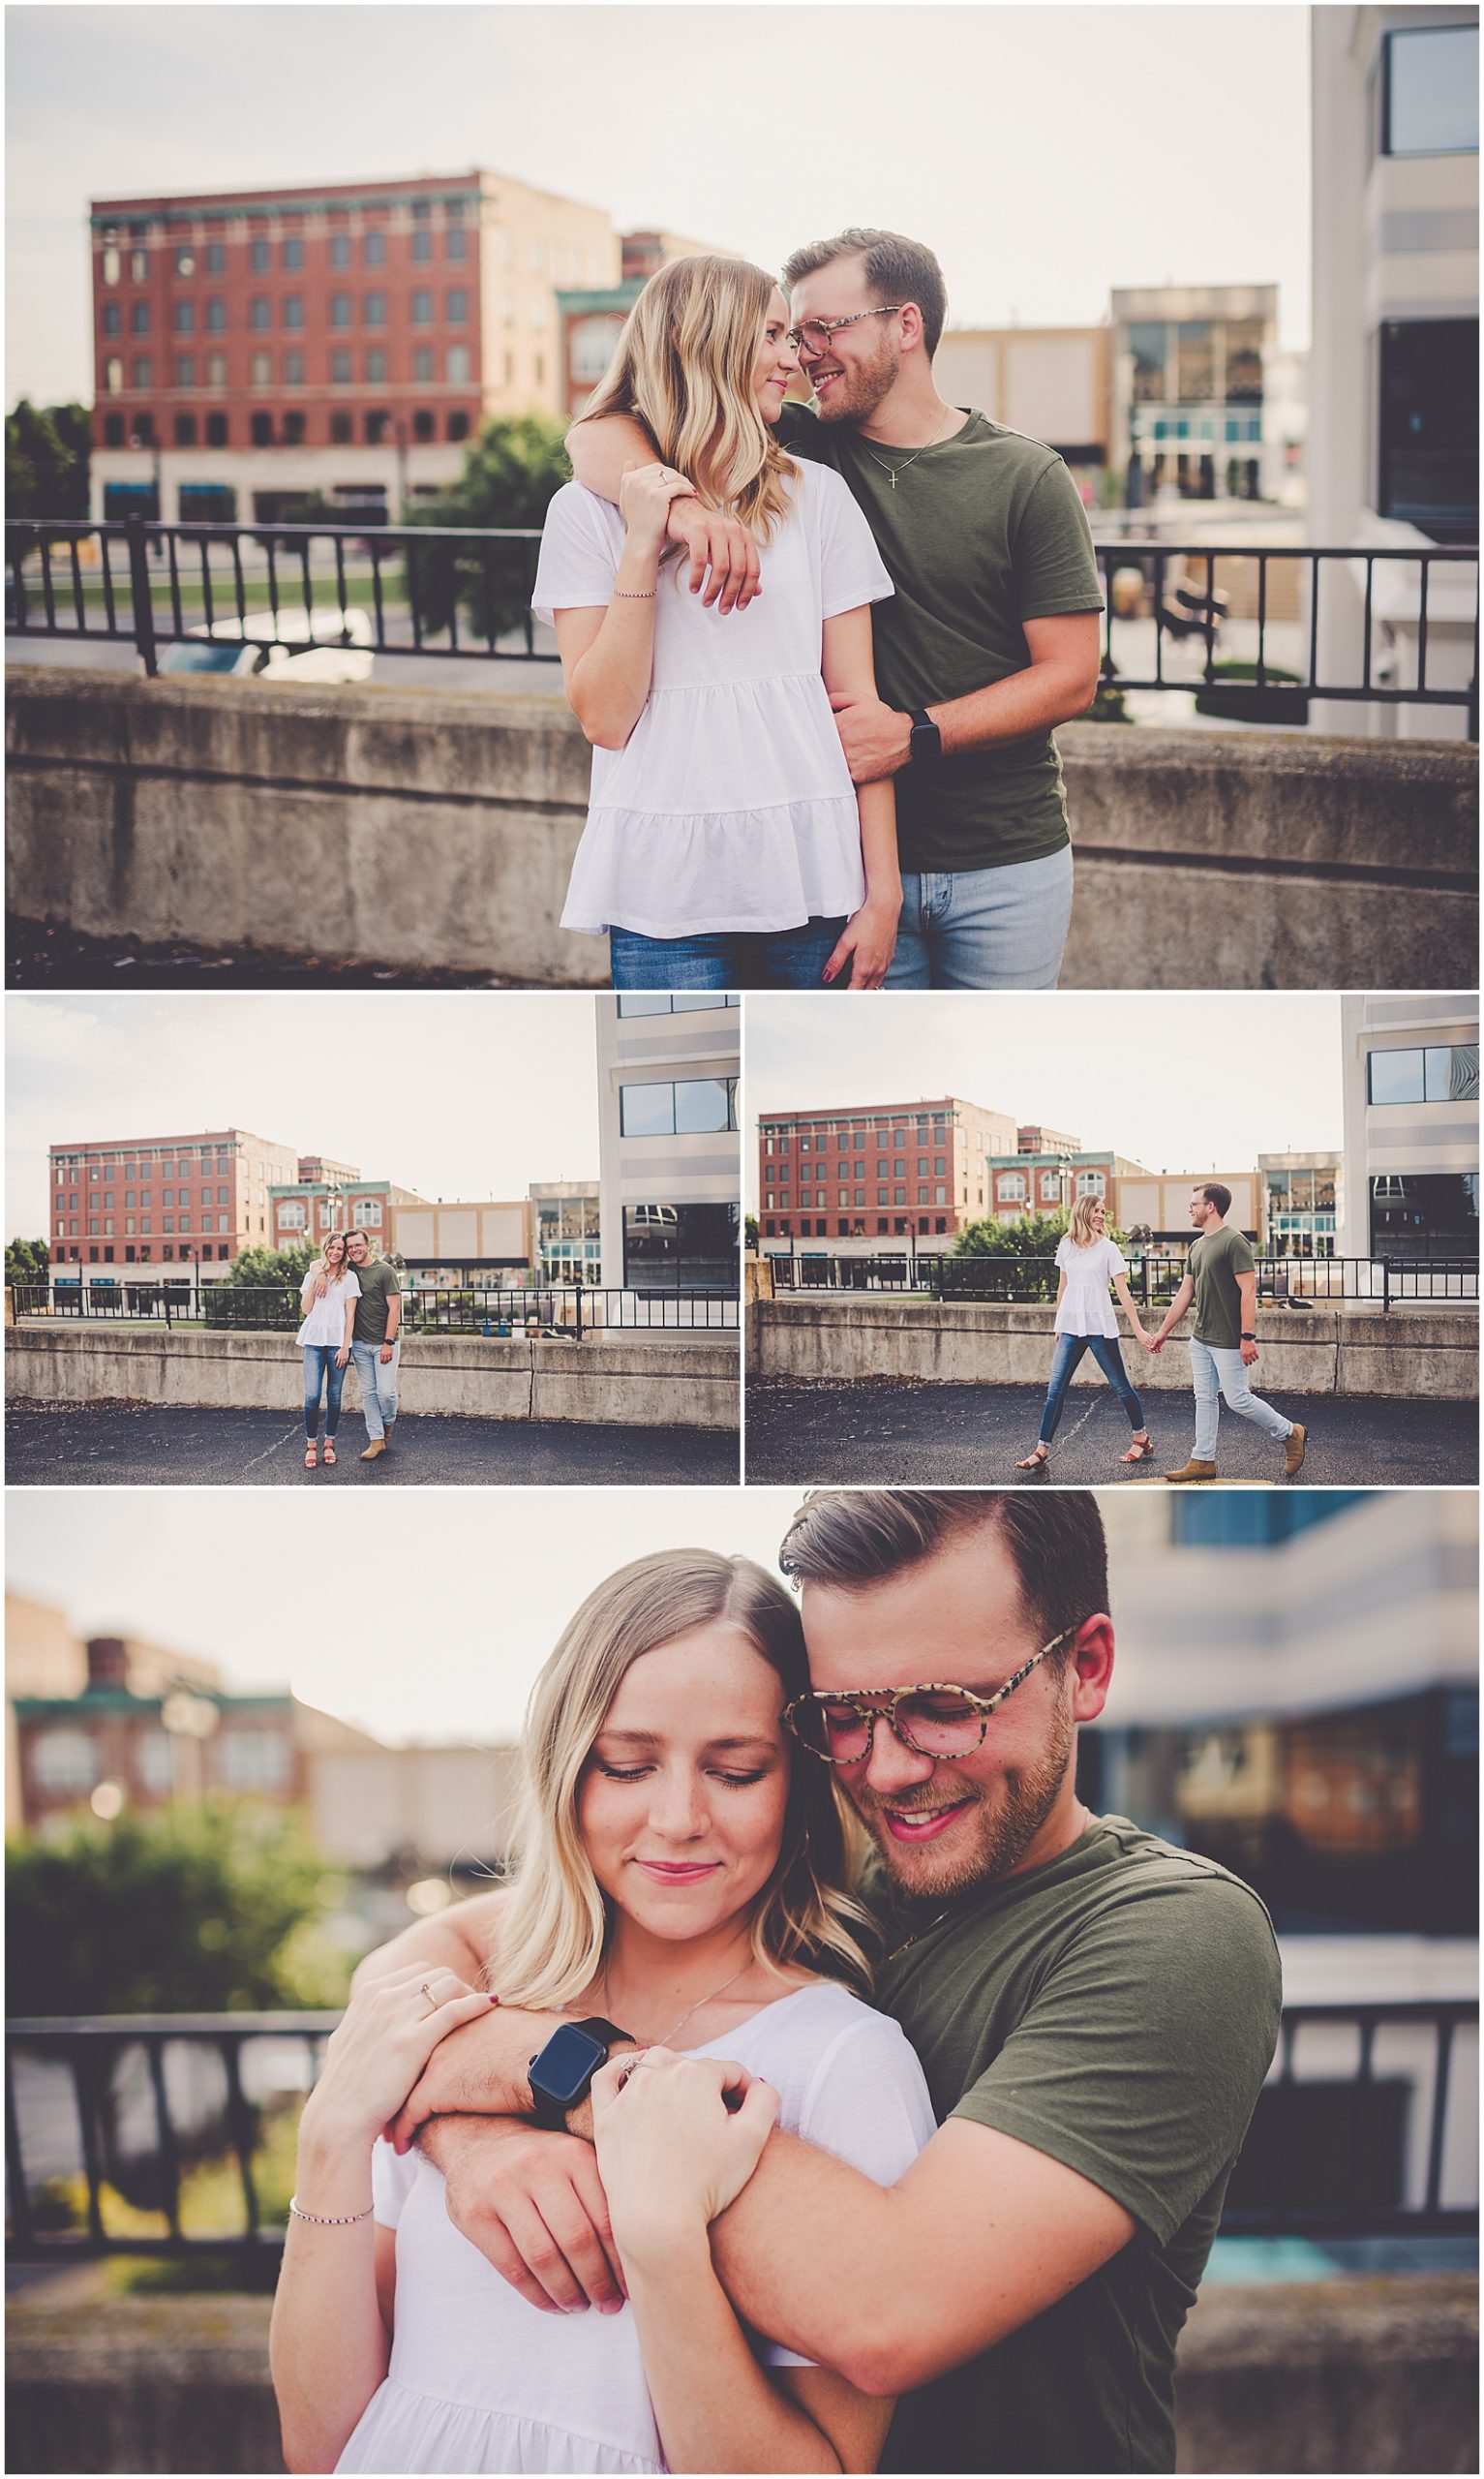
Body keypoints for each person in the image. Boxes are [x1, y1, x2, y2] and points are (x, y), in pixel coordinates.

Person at [360, 1492, 1283, 2475]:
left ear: (1085, 1667)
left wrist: (568, 2077)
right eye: (843, 1716)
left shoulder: (1178, 1936)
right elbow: (415, 1965)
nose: (886, 1771)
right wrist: (474, 2140)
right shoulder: (832, 1888)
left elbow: (889, 2309)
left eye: (943, 1708)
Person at [269, 1548, 934, 2473]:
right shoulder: (463, 2037)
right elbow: (321, 2449)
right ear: (566, 1769)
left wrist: (664, 2239)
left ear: (801, 1785)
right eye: (626, 1766)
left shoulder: (844, 2061)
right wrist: (332, 2140)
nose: (676, 1818)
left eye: (736, 1771)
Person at [567, 229, 1105, 992]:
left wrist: (911, 735)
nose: (805, 352)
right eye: (791, 332)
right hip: (842, 860)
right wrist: (683, 516)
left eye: (825, 328)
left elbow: (1072, 679)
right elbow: (597, 433)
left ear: (905, 326)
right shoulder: (797, 450)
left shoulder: (1024, 475)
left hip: (1000, 854)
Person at [533, 254, 901, 994]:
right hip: (662, 891)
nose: (792, 358)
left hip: (812, 877)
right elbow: (605, 718)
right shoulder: (583, 511)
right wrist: (644, 542)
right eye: (770, 335)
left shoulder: (819, 498)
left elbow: (857, 714)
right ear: (691, 340)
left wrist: (882, 892)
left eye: (790, 338)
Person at [1147, 1183, 1307, 1482]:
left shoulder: (1235, 1242)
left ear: (1211, 1207)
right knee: (1204, 1398)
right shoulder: (1196, 1246)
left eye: (1195, 1203)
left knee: (1237, 1399)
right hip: (1201, 1339)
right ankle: (1203, 1459)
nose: (1190, 1208)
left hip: (1230, 1340)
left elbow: (1249, 1292)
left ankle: (1290, 1433)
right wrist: (1163, 1332)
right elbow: (1185, 1292)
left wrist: (1247, 1336)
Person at [1015, 1194, 1154, 1471]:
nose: (1101, 1216)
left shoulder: (1109, 1249)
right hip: (1070, 1326)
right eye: (1096, 1211)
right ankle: (1042, 1449)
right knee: (1055, 1389)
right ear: (1083, 1212)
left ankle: (1141, 1437)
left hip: (1099, 1326)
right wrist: (1059, 1323)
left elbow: (1123, 1293)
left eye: (1103, 1211)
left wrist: (1138, 1329)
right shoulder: (1066, 1246)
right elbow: (1062, 1287)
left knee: (1120, 1387)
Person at [296, 1233, 360, 1471]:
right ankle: (311, 1444)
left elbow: (350, 1314)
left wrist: (345, 1346)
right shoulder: (313, 1273)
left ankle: (329, 1443)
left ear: (344, 1253)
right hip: (313, 1341)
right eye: (332, 1247)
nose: (335, 1252)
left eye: (340, 1249)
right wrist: (316, 1278)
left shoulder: (350, 1278)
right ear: (325, 1248)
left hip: (337, 1344)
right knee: (312, 1396)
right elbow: (305, 1309)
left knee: (334, 1396)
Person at [345, 1227, 402, 1462]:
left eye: (358, 1245)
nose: (354, 1250)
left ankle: (388, 1425)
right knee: (368, 1393)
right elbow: (320, 1264)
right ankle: (376, 1439)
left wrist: (388, 1342)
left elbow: (395, 1308)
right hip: (359, 1343)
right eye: (350, 1247)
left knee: (385, 1393)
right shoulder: (348, 1271)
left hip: (384, 1343)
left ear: (368, 1245)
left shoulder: (385, 1271)